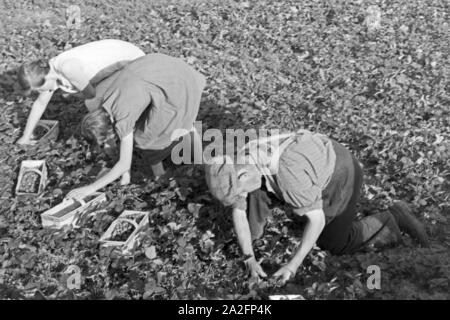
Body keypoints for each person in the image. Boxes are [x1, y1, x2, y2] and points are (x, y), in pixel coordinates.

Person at [205, 129, 429, 284]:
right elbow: (238, 209)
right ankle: (255, 239)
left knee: (333, 243)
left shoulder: (288, 175)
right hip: (305, 160)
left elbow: (317, 220)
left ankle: (393, 218)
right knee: (252, 200)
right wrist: (248, 258)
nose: (240, 196)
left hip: (340, 172)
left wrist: (293, 265)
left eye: (239, 191)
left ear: (242, 174)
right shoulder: (240, 160)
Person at [66, 53, 206, 200]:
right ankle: (199, 160)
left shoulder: (121, 116)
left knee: (146, 138)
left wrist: (91, 188)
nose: (107, 145)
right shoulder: (103, 100)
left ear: (107, 132)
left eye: (105, 141)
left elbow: (124, 163)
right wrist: (125, 173)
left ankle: (161, 176)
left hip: (176, 86)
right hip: (168, 67)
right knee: (186, 121)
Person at [16, 39, 145, 145]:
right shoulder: (48, 70)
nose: (40, 92)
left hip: (134, 62)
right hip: (121, 59)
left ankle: (112, 137)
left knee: (93, 103)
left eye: (38, 89)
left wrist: (70, 93)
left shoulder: (67, 68)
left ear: (46, 78)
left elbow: (90, 94)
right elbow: (40, 104)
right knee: (95, 98)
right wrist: (25, 137)